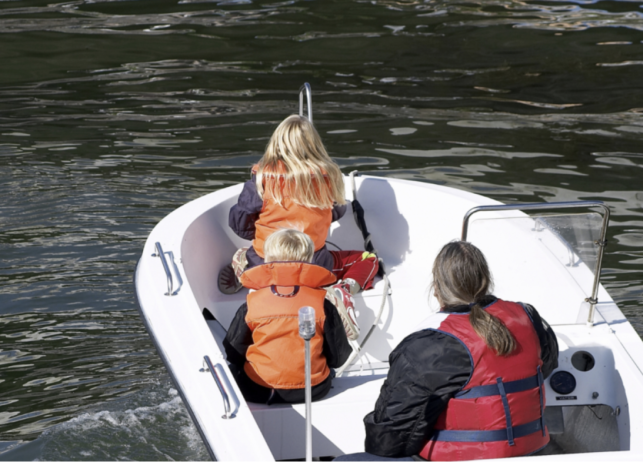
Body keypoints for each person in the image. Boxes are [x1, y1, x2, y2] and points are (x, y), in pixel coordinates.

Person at [352, 241, 559, 461]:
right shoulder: (527, 315)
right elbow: (547, 366)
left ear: (437, 288)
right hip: (535, 451)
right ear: (486, 279)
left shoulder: (430, 343)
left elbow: (389, 438)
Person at [220, 114, 379, 296]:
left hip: (265, 262)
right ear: (315, 145)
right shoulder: (328, 178)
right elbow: (338, 210)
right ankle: (344, 289)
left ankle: (247, 270)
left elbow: (239, 222)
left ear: (276, 143)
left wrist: (258, 235)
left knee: (252, 250)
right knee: (368, 258)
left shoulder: (262, 179)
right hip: (313, 265)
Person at [223, 229, 353, 404]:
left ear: (267, 259)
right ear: (309, 259)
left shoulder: (252, 303)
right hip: (312, 390)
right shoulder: (323, 304)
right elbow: (338, 357)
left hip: (257, 390)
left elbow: (233, 352)